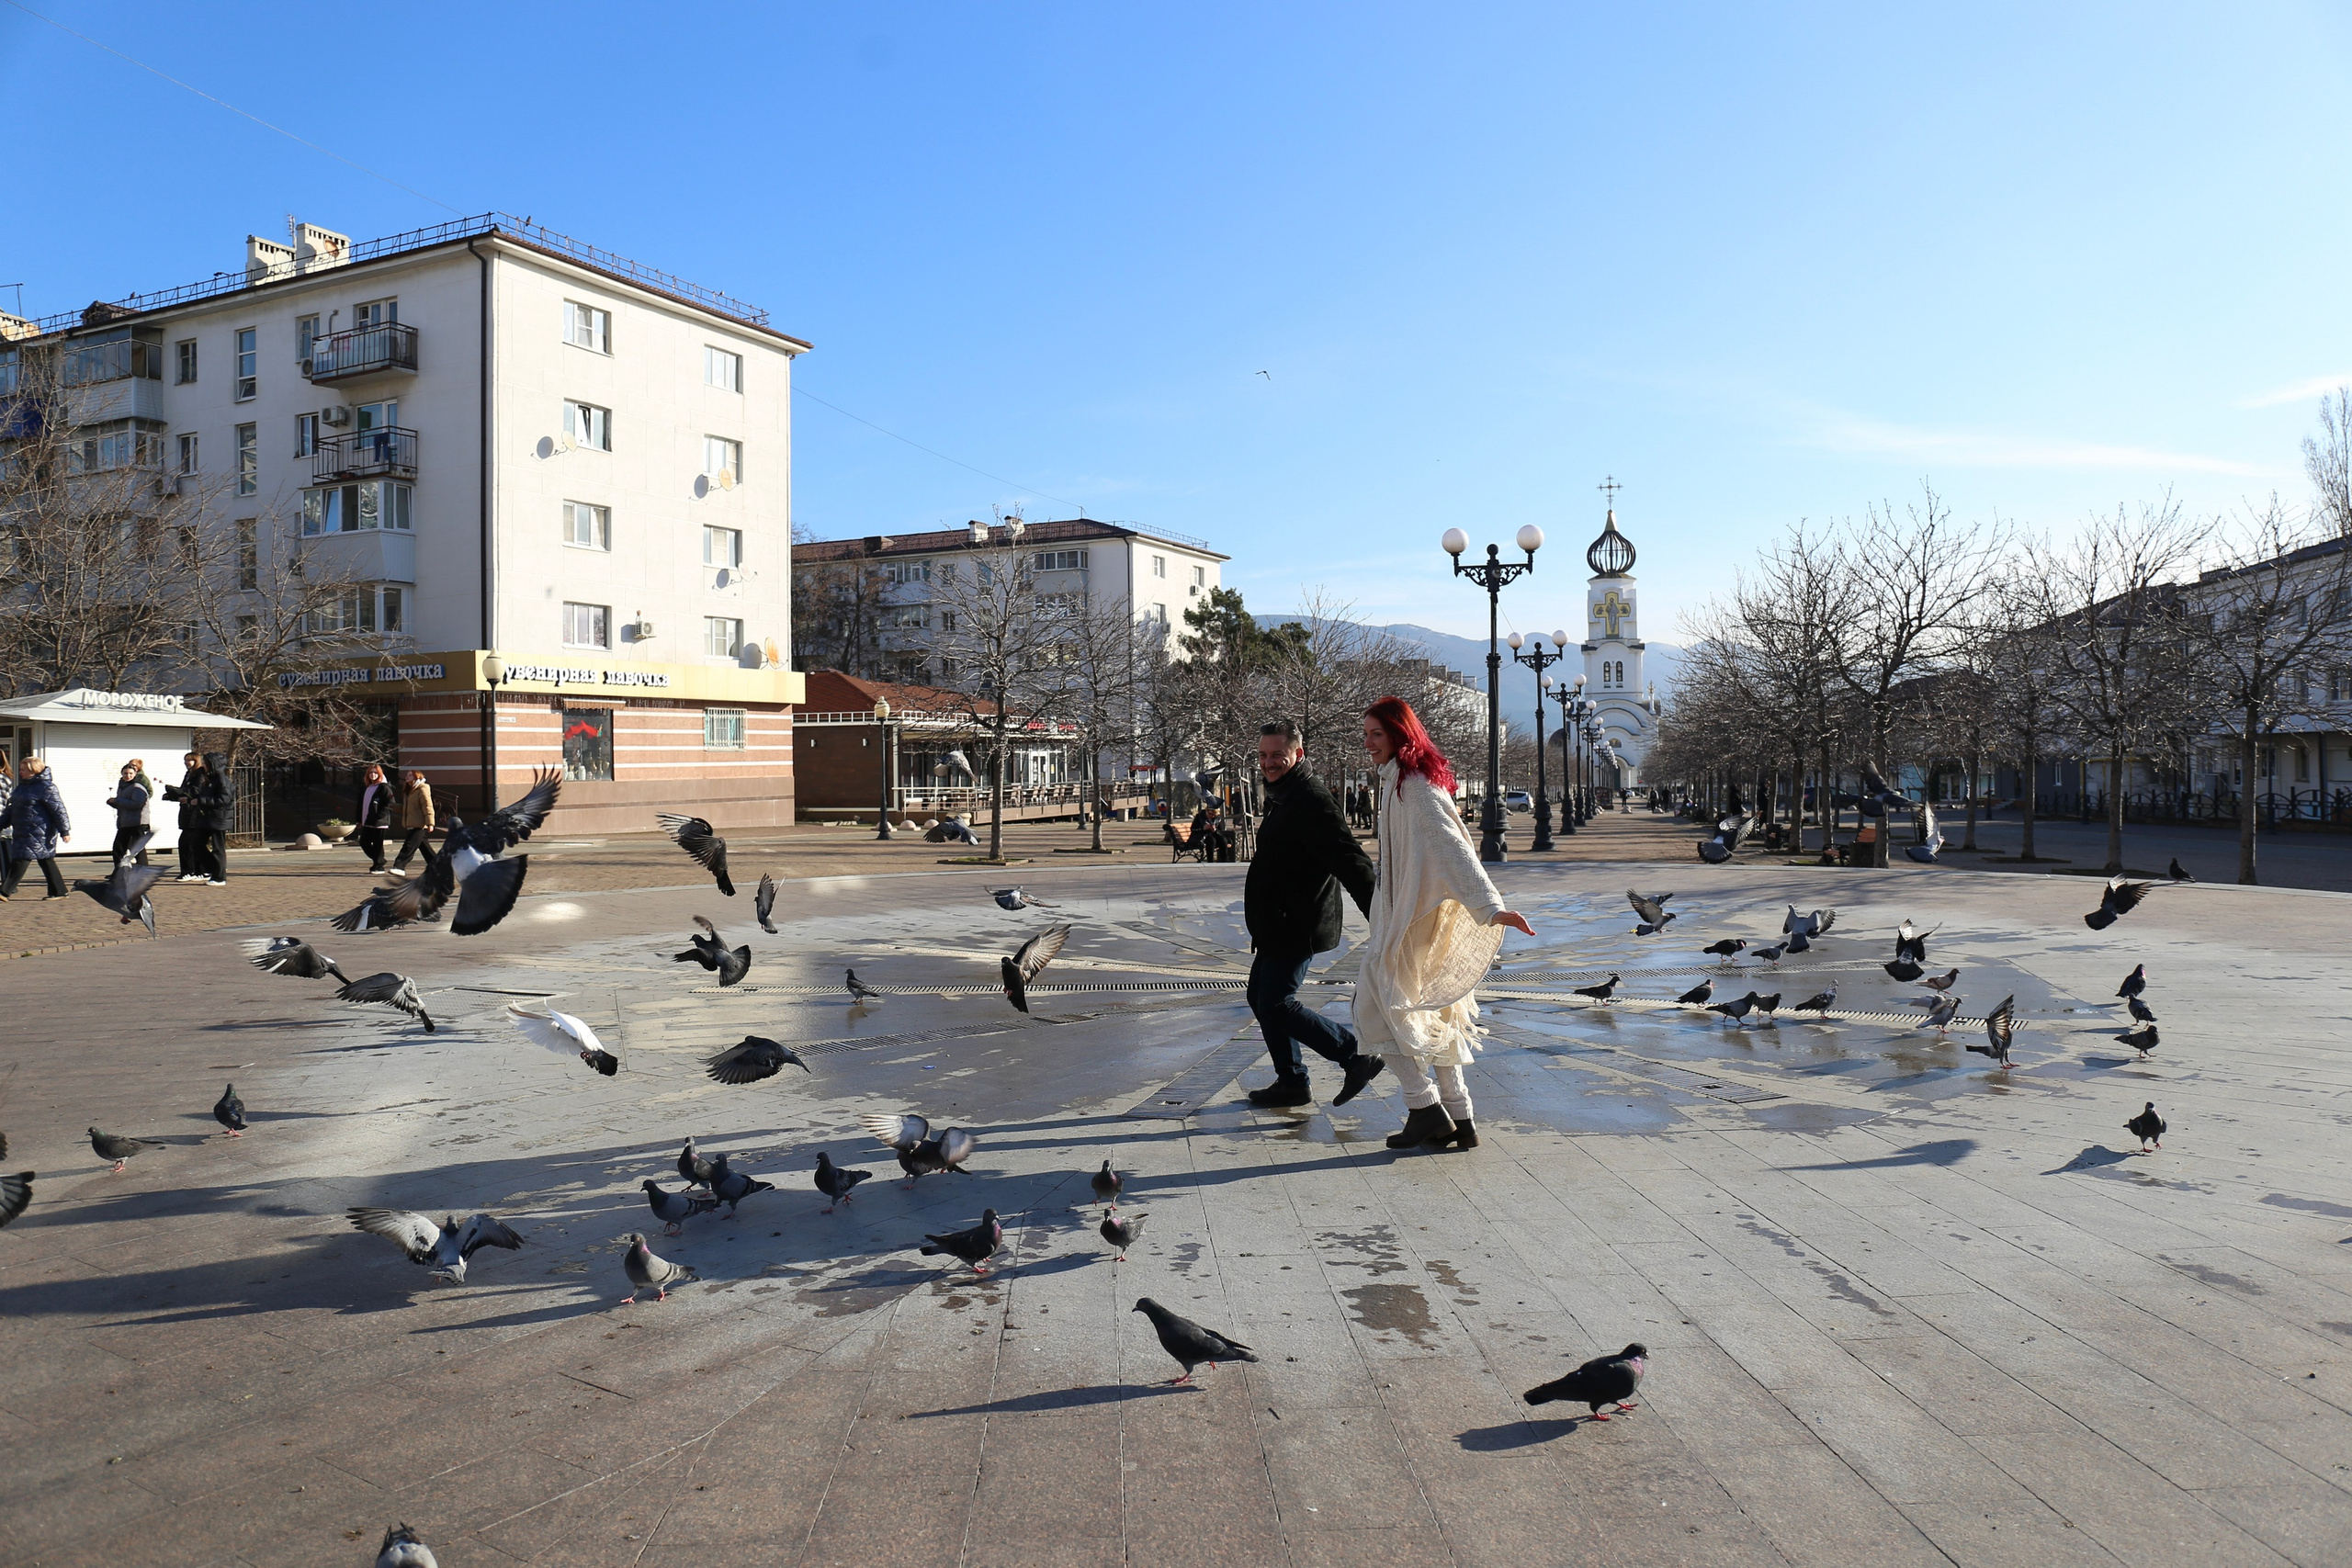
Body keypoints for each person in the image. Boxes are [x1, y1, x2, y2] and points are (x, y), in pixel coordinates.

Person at [1352, 696, 1535, 1153]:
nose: (1369, 742)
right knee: (1432, 1015)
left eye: (1377, 733)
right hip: (1404, 916)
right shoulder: (1399, 780)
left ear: (1399, 734)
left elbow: (1452, 846)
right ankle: (1461, 1117)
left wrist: (1490, 907)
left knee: (1374, 1012)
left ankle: (1424, 1108)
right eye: (1367, 734)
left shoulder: (1414, 787)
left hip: (1411, 924)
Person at [1241, 718, 1383, 1110]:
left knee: (1275, 1003)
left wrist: (1379, 918)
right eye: (1263, 755)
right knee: (1260, 996)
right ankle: (1291, 1081)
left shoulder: (1311, 798)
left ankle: (1354, 1056)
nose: (1269, 763)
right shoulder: (1284, 793)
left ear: (1298, 754)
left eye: (1278, 755)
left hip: (1296, 923)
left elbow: (1351, 861)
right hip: (1276, 924)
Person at [0, 755, 73, 900]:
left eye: (24, 770)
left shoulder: (46, 787)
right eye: (20, 769)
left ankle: (5, 891)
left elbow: (58, 810)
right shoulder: (21, 788)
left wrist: (64, 830)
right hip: (22, 830)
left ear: (34, 770)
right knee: (46, 860)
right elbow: (11, 809)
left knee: (21, 859)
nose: (20, 772)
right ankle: (59, 891)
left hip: (40, 831)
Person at [163, 751, 211, 882]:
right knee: (191, 843)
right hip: (187, 812)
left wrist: (175, 791)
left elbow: (194, 791)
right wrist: (172, 796)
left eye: (189, 760)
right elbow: (184, 791)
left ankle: (194, 870)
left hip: (195, 813)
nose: (187, 763)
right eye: (185, 760)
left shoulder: (200, 774)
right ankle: (197, 870)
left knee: (187, 843)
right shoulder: (189, 774)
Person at [190, 750, 234, 886]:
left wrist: (201, 801)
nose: (204, 765)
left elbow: (224, 799)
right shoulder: (210, 779)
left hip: (218, 819)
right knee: (196, 843)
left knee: (218, 848)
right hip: (207, 818)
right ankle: (213, 870)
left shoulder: (222, 780)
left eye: (207, 763)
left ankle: (219, 877)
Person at [106, 761, 153, 868]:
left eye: (131, 773)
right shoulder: (123, 786)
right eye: (126, 773)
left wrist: (117, 801)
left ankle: (143, 870)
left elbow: (137, 804)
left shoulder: (137, 787)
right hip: (126, 822)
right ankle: (119, 871)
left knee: (137, 849)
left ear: (135, 774)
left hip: (137, 822)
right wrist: (113, 803)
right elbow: (125, 805)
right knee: (119, 848)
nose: (128, 776)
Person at [390, 770, 436, 872]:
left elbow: (427, 806)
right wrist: (392, 806)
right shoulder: (409, 791)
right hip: (411, 824)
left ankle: (399, 866)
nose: (407, 776)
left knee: (408, 846)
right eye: (407, 775)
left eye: (410, 775)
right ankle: (438, 866)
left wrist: (430, 823)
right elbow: (408, 808)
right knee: (426, 849)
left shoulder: (422, 789)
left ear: (417, 777)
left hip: (419, 825)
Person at [355, 762, 393, 871]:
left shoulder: (384, 788)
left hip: (379, 822)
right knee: (364, 842)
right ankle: (379, 860)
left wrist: (379, 815)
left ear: (379, 774)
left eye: (375, 772)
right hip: (367, 821)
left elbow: (390, 804)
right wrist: (359, 820)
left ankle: (378, 865)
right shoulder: (367, 788)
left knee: (378, 844)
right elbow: (361, 805)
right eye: (371, 772)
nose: (373, 774)